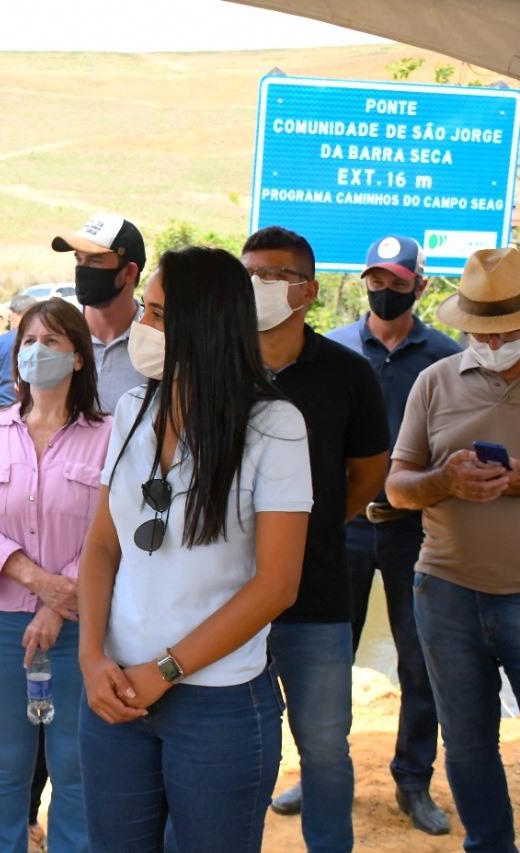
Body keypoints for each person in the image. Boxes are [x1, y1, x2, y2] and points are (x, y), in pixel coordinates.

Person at [79, 246, 312, 852]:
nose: (140, 325)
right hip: (115, 694)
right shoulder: (133, 409)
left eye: (155, 314)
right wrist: (89, 658)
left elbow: (277, 584)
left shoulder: (275, 427)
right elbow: (103, 546)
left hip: (219, 704)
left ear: (202, 327)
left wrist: (165, 671)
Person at [243, 226, 390, 852]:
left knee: (325, 746)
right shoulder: (218, 370)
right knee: (234, 750)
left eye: (272, 276)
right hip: (224, 599)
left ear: (307, 290)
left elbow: (367, 474)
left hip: (317, 596)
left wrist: (311, 528)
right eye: (247, 274)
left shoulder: (348, 374)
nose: (256, 287)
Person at [0, 298, 111, 852]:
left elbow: (108, 534)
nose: (36, 353)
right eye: (28, 343)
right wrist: (41, 583)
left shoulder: (109, 436)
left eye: (52, 343)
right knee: (3, 767)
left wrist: (56, 604)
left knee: (75, 767)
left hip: (78, 629)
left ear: (77, 359)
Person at [386, 245, 520, 853]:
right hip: (446, 591)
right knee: (466, 742)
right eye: (480, 331)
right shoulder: (434, 381)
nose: (490, 343)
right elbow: (397, 485)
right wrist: (445, 480)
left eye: (504, 331)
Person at [325, 235, 458, 836]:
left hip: (418, 532)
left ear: (421, 287)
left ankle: (413, 781)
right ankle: (323, 773)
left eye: (398, 283)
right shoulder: (329, 351)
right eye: (376, 280)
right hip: (341, 528)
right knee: (327, 657)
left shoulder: (447, 359)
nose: (384, 291)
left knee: (419, 661)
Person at [51, 213, 147, 410]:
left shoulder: (155, 341)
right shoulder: (57, 330)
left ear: (129, 272)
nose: (83, 271)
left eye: (95, 261)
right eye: (79, 259)